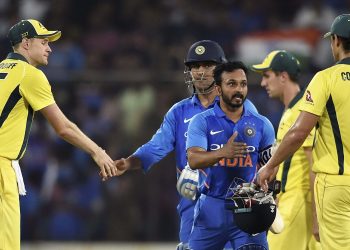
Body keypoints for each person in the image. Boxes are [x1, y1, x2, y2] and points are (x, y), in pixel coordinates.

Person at [113, 40, 258, 250]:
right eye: (195, 66)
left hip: (234, 206)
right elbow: (156, 147)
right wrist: (129, 163)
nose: (200, 71)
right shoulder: (179, 112)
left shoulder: (242, 107)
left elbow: (257, 152)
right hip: (194, 209)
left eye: (208, 65)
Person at [0, 19, 117, 250]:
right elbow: (63, 127)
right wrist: (97, 151)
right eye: (43, 42)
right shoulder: (30, 74)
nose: (49, 48)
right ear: (25, 43)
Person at [257, 14, 350, 250]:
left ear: (336, 41)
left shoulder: (326, 79)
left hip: (336, 184)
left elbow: (299, 133)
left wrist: (269, 166)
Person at [186, 61, 275, 250]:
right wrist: (222, 153)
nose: (239, 89)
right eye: (232, 84)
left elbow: (270, 165)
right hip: (211, 208)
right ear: (218, 89)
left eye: (243, 84)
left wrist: (268, 185)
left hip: (248, 205)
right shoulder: (202, 121)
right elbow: (193, 160)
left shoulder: (262, 124)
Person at [251, 50, 321, 250]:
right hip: (293, 202)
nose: (263, 83)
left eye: (267, 75)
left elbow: (312, 164)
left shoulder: (301, 112)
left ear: (283, 76)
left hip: (298, 204)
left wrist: (317, 216)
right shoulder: (292, 109)